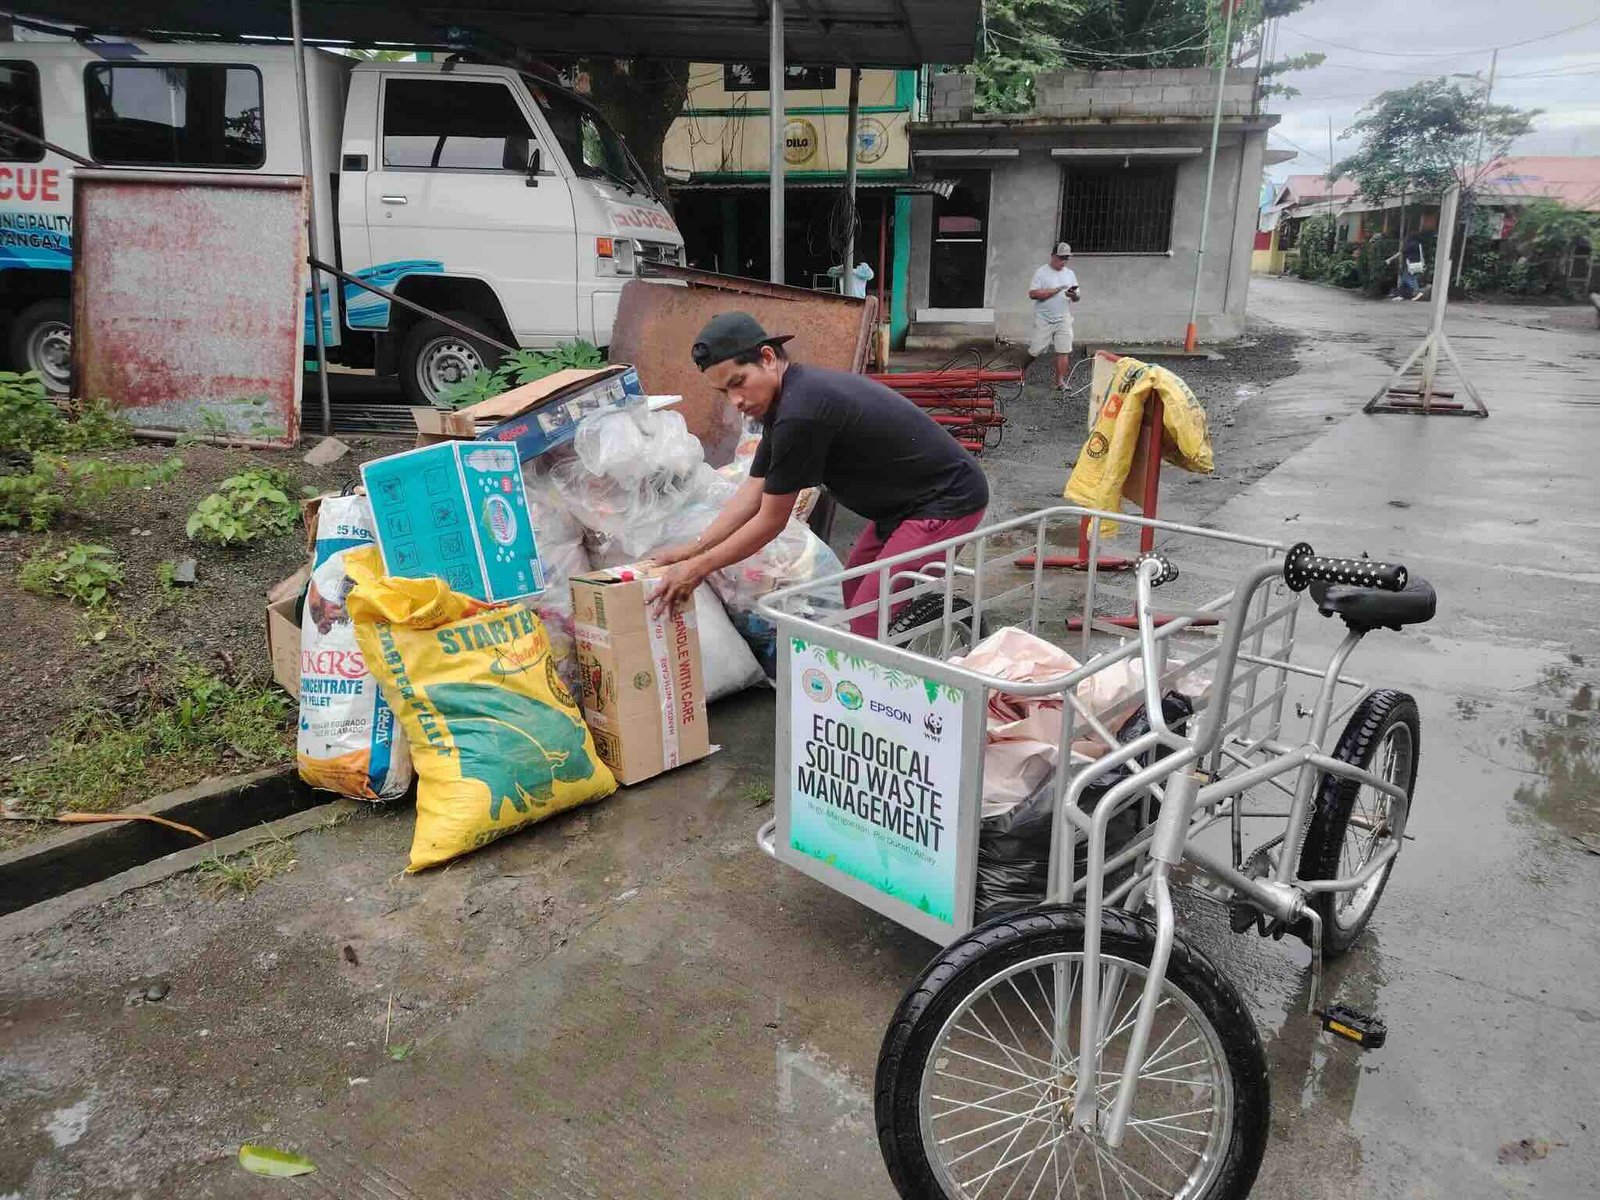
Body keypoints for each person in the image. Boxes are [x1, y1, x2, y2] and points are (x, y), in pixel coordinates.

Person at [647, 312, 989, 636]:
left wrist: (698, 567)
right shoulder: (784, 400)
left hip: (946, 500)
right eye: (725, 392)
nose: (735, 400)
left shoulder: (801, 411)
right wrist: (691, 550)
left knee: (869, 616)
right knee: (854, 591)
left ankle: (897, 691)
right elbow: (753, 489)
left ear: (767, 358)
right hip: (903, 506)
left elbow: (770, 521)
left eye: (739, 382)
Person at [1027, 242, 1081, 390]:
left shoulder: (1070, 274)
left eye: (1066, 259)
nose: (1063, 261)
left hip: (1063, 317)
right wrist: (1056, 290)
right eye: (1060, 258)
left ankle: (1060, 382)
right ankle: (1019, 372)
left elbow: (1077, 297)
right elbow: (1033, 294)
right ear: (1052, 256)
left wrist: (1073, 294)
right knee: (1035, 350)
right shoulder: (1041, 272)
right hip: (1044, 318)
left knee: (1064, 350)